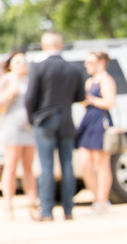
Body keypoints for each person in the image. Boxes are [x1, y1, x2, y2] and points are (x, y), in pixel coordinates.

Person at [23, 30, 86, 221]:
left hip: (44, 121)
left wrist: (32, 118)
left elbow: (30, 98)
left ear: (44, 45)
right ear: (61, 44)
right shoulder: (74, 69)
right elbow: (80, 97)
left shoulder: (38, 68)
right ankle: (68, 210)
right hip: (66, 120)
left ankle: (47, 211)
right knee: (67, 165)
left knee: (47, 166)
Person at [75, 51, 117, 215]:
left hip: (100, 121)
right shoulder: (89, 81)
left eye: (90, 62)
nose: (87, 66)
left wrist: (91, 100)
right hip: (88, 121)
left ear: (101, 63)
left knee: (101, 163)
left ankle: (102, 200)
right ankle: (96, 197)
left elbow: (109, 102)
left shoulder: (106, 80)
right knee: (85, 162)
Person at [0, 51, 38, 220]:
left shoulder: (30, 81)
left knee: (29, 167)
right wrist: (10, 94)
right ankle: (8, 205)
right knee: (11, 166)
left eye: (24, 61)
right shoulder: (7, 80)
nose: (22, 64)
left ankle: (32, 203)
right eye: (18, 62)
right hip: (12, 127)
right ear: (10, 65)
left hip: (28, 128)